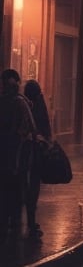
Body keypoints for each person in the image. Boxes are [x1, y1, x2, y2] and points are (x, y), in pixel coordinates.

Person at [0, 69, 36, 239]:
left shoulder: (19, 103)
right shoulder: (21, 103)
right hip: (13, 152)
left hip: (15, 152)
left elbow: (25, 130)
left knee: (12, 186)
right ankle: (13, 221)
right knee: (14, 186)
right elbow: (30, 129)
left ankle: (11, 221)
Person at [23, 80, 51, 238]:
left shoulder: (23, 103)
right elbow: (45, 126)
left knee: (22, 185)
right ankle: (31, 220)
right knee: (33, 187)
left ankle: (16, 220)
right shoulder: (38, 104)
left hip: (22, 152)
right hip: (35, 150)